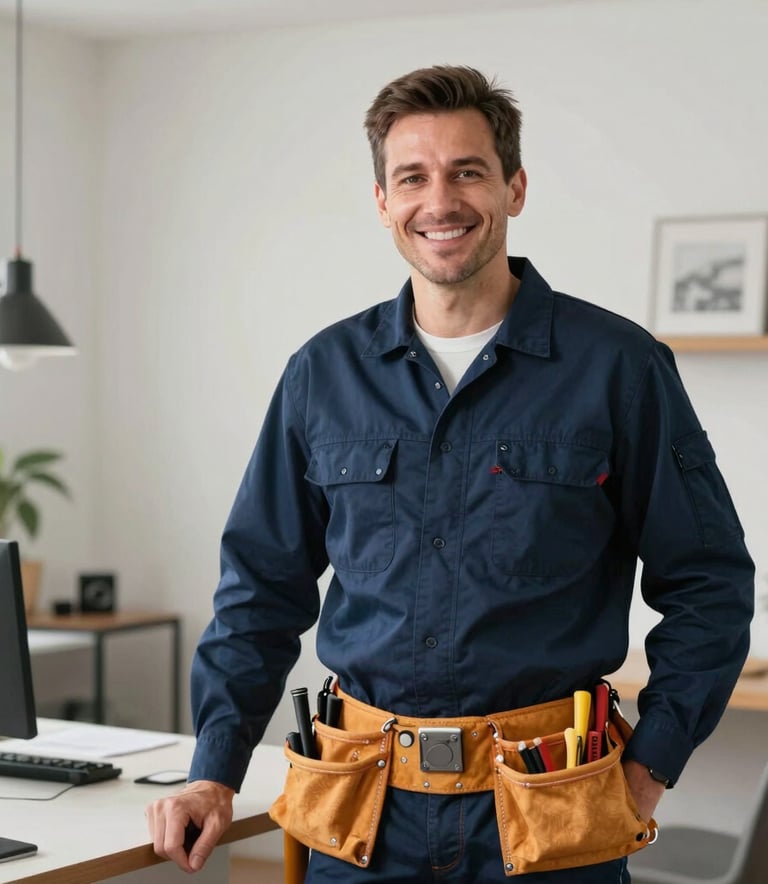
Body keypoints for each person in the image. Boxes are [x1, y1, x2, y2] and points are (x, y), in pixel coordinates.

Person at [146, 65, 754, 882]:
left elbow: (710, 581)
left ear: (514, 187)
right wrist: (212, 771)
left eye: (468, 171)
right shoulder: (321, 375)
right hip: (360, 818)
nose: (441, 201)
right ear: (383, 202)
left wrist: (649, 767)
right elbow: (259, 588)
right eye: (413, 177)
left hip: (551, 815)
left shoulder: (619, 368)